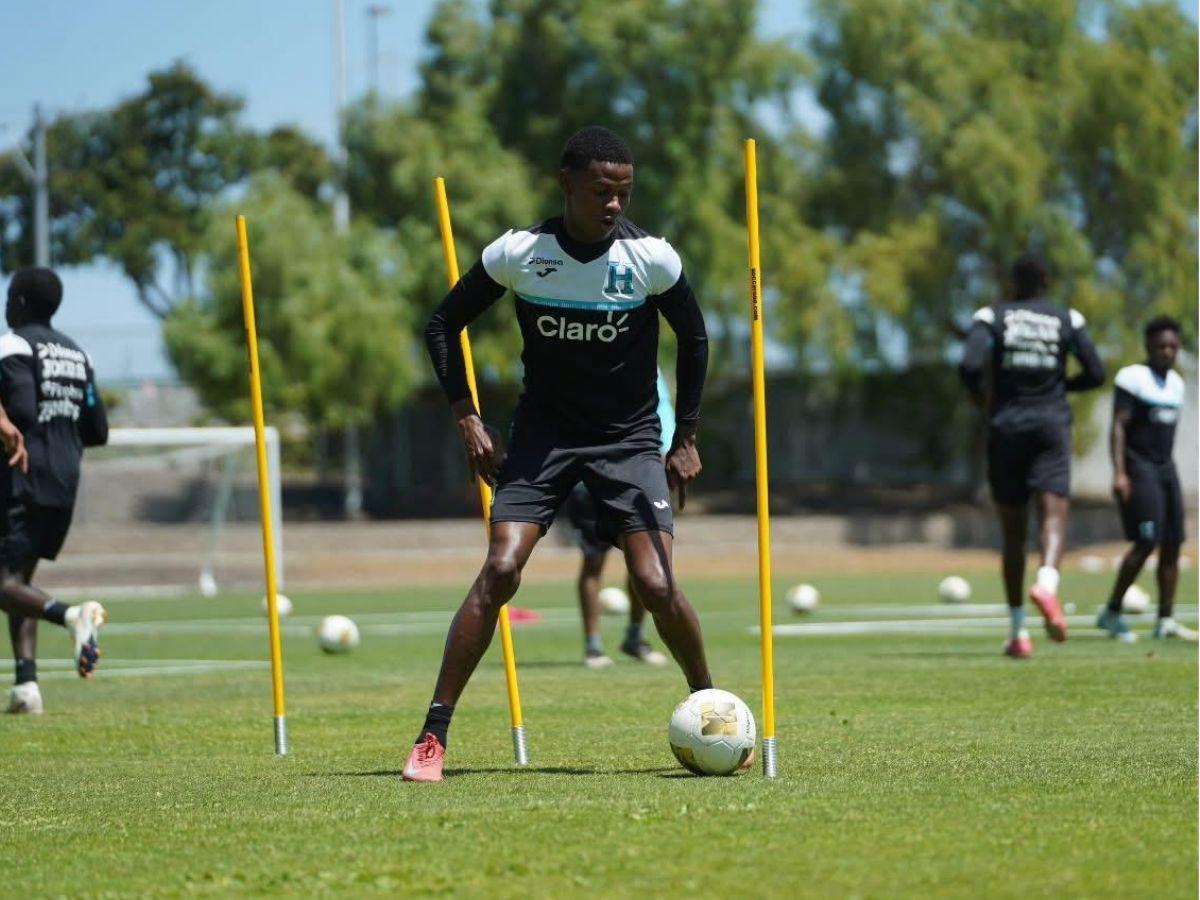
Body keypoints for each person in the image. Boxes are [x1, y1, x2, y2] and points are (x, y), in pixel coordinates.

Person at [405, 126, 712, 781]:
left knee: (655, 584)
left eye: (623, 192)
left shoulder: (651, 258)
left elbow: (694, 337)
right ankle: (432, 738)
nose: (613, 204)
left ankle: (711, 708)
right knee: (500, 570)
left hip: (628, 441)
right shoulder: (520, 253)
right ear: (566, 182)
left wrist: (683, 435)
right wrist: (468, 419)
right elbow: (441, 323)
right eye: (601, 190)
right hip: (543, 438)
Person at [959, 254, 1105, 659]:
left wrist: (983, 397)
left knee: (1012, 531)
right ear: (1046, 280)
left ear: (1013, 281)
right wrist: (1059, 386)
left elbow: (969, 364)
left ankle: (1018, 632)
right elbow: (1096, 372)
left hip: (1006, 426)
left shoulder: (992, 316)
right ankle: (1047, 583)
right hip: (1051, 426)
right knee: (1054, 514)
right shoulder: (1067, 319)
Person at [2, 267, 109, 715]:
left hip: (19, 470)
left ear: (21, 301)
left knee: (4, 582)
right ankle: (27, 685)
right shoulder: (78, 354)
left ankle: (69, 614)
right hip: (65, 477)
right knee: (18, 580)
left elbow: (22, 408)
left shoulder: (13, 343)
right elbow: (98, 429)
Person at [1097, 317, 1195, 642]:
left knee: (1173, 544)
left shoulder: (1177, 385)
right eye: (1161, 346)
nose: (1167, 351)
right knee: (1146, 541)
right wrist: (1120, 472)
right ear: (1149, 348)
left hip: (1166, 469)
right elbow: (1118, 427)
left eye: (1172, 346)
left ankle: (1165, 620)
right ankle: (1111, 612)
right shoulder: (1132, 378)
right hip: (1139, 470)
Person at [568, 368, 673, 669]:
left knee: (644, 561)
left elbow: (661, 407)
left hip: (636, 471)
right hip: (586, 476)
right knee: (593, 560)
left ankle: (635, 637)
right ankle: (593, 646)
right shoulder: (575, 358)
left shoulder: (647, 365)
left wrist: (664, 450)